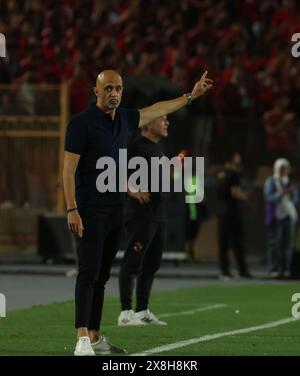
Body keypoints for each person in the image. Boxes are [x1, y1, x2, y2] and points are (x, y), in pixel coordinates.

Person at [63, 69, 213, 356]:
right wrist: (72, 209)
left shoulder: (124, 119)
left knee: (103, 275)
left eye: (118, 88)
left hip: (116, 208)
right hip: (90, 210)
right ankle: (81, 338)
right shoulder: (81, 124)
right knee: (88, 272)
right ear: (96, 92)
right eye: (108, 88)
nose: (114, 93)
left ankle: (94, 336)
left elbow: (157, 109)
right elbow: (68, 170)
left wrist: (191, 96)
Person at [118, 115, 169, 326]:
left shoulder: (158, 147)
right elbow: (114, 167)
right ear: (148, 124)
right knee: (132, 262)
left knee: (151, 264)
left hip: (157, 214)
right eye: (163, 119)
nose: (167, 123)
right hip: (140, 214)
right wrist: (131, 190)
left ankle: (142, 310)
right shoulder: (135, 144)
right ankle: (125, 313)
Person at [217, 151, 252, 280]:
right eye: (237, 158)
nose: (239, 161)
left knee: (224, 242)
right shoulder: (234, 175)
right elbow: (235, 192)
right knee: (238, 242)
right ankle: (242, 270)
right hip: (232, 212)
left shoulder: (221, 175)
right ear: (231, 161)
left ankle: (224, 270)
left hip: (222, 212)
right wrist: (246, 196)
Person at [263, 158, 298, 278]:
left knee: (287, 245)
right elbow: (268, 197)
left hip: (288, 216)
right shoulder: (271, 181)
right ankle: (274, 268)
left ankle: (286, 268)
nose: (284, 170)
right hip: (275, 217)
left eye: (286, 168)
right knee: (274, 244)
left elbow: (295, 199)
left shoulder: (289, 182)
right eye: (281, 168)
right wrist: (281, 193)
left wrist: (290, 195)